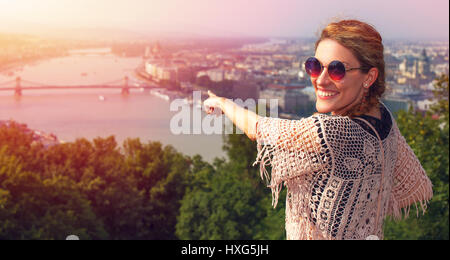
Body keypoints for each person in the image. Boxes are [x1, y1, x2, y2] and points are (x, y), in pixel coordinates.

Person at [203, 19, 433, 240]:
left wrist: (224, 104)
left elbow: (257, 128)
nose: (320, 80)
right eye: (314, 66)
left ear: (369, 77)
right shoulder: (384, 120)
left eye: (337, 70)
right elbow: (418, 188)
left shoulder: (333, 132)